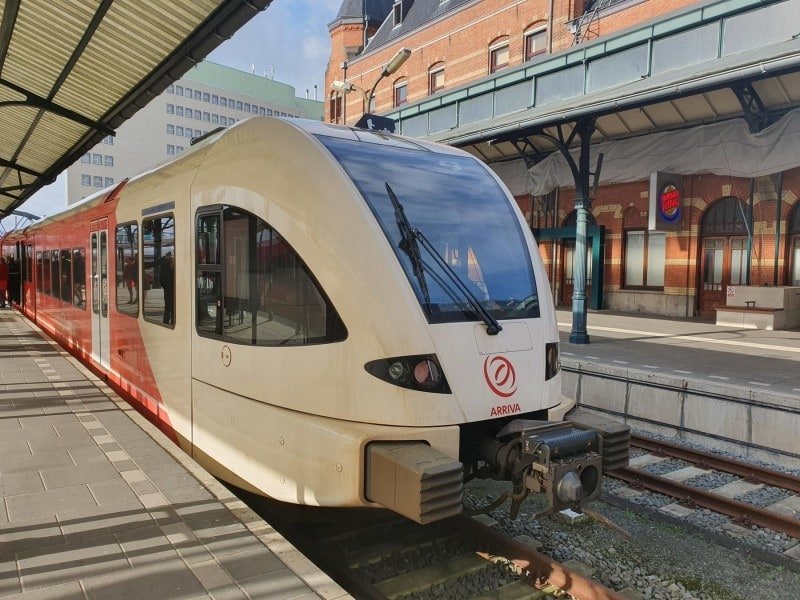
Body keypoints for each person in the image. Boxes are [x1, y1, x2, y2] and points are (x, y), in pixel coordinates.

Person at [159, 251, 175, 325]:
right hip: (170, 291)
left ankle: (168, 322)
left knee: (169, 308)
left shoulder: (165, 268)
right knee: (170, 308)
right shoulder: (168, 269)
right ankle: (170, 322)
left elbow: (161, 280)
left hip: (169, 290)